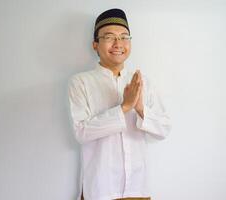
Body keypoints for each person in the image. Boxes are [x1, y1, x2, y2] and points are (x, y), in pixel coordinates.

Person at [68, 8, 171, 200]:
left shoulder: (142, 81)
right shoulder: (81, 82)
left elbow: (163, 129)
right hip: (100, 188)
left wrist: (140, 108)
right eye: (109, 37)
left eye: (124, 37)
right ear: (95, 45)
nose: (118, 43)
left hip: (138, 188)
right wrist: (124, 107)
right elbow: (81, 132)